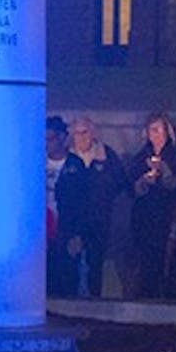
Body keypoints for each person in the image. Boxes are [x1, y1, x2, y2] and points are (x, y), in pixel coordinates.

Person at [55, 117, 127, 298]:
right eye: (77, 133)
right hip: (71, 223)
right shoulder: (66, 159)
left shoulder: (108, 157)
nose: (81, 137)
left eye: (85, 132)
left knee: (95, 265)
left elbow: (120, 185)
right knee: (69, 266)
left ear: (93, 133)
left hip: (98, 221)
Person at [126, 113, 176, 299]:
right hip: (147, 221)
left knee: (173, 266)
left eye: (159, 129)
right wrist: (144, 181)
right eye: (151, 130)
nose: (155, 134)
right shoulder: (141, 157)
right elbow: (131, 189)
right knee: (148, 265)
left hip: (172, 219)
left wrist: (165, 172)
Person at [44, 116, 85, 297]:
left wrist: (78, 234)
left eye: (51, 139)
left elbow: (83, 203)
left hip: (65, 228)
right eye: (44, 139)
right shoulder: (35, 162)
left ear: (62, 138)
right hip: (42, 227)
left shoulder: (75, 165)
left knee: (66, 275)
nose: (47, 144)